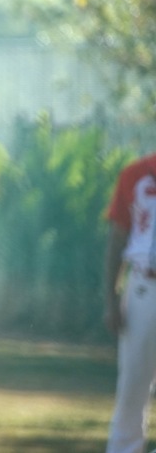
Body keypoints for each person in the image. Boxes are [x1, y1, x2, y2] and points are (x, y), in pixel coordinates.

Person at [105, 152, 156, 453]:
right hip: (144, 288)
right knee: (133, 388)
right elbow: (117, 237)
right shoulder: (136, 173)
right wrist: (110, 298)